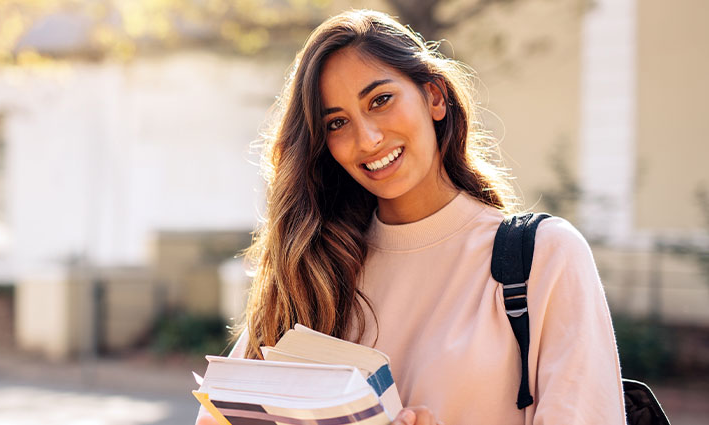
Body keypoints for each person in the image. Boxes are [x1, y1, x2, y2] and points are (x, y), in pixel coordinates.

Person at [196, 9, 626, 425]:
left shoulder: (542, 257)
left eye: (380, 100)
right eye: (337, 123)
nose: (367, 139)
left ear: (434, 96)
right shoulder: (311, 272)